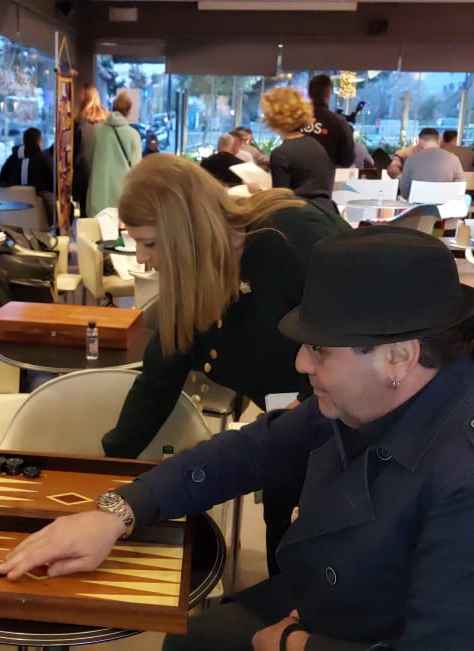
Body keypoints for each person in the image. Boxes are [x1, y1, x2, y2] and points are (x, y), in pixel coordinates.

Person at [0, 226, 474, 650]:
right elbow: (250, 451)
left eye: (319, 349)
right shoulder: (378, 393)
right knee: (190, 638)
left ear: (398, 356)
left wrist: (294, 644)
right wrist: (118, 511)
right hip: (342, 600)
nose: (301, 363)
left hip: (369, 632)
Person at [99, 154, 351, 576]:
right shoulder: (194, 278)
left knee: (320, 560)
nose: (141, 259)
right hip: (288, 429)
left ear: (185, 229)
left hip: (350, 430)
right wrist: (108, 470)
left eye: (151, 243)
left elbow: (362, 336)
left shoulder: (290, 236)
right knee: (282, 541)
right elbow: (157, 382)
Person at [261, 87, 335, 214]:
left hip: (299, 215)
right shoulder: (316, 145)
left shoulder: (281, 154)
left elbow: (280, 202)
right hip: (326, 212)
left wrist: (257, 192)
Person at [87, 90, 141, 217]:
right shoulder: (133, 135)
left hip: (97, 197)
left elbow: (88, 161)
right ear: (128, 111)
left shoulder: (96, 131)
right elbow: (136, 171)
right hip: (121, 198)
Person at [0, 127, 55, 227]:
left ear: (24, 140)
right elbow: (52, 184)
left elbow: (2, 179)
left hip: (10, 215)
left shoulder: (11, 159)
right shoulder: (43, 160)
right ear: (39, 141)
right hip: (37, 214)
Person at [399, 127, 464, 200]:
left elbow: (404, 189)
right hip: (445, 204)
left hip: (418, 205)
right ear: (439, 139)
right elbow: (460, 186)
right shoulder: (453, 158)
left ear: (419, 140)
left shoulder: (411, 159)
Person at [305, 74, 355, 167]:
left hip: (296, 174)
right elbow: (347, 159)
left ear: (308, 93)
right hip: (326, 174)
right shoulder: (339, 122)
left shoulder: (296, 120)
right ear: (329, 93)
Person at [72, 84, 108, 213]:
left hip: (84, 177)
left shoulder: (78, 123)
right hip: (103, 176)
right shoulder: (107, 121)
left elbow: (74, 154)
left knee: (85, 216)